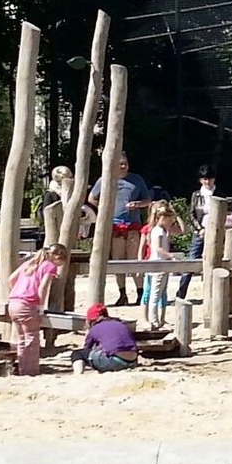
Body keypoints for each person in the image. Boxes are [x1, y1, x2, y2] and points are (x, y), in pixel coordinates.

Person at [86, 154, 150, 307]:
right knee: (118, 260)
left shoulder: (137, 180)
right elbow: (91, 198)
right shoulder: (105, 179)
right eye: (120, 163)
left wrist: (137, 204)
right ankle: (122, 294)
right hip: (114, 226)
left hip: (133, 225)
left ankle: (140, 293)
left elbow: (147, 200)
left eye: (125, 163)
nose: (123, 166)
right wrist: (105, 207)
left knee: (135, 260)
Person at [6, 243, 69, 375]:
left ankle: (23, 369)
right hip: (27, 304)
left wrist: (18, 291)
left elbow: (11, 279)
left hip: (14, 302)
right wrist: (40, 307)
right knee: (32, 338)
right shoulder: (49, 266)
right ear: (58, 257)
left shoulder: (29, 263)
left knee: (21, 339)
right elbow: (43, 288)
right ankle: (31, 371)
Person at [176, 165, 217, 299]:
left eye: (209, 178)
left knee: (215, 262)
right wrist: (200, 229)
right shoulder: (196, 195)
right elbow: (191, 214)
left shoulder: (219, 194)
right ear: (200, 180)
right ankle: (181, 293)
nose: (207, 182)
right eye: (204, 179)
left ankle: (214, 293)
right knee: (192, 260)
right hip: (200, 232)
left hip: (216, 232)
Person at [73, 302, 139, 374]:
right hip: (133, 361)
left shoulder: (95, 329)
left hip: (115, 361)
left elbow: (86, 349)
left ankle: (78, 374)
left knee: (78, 354)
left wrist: (88, 333)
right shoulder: (120, 324)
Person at [143, 201, 178, 330]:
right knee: (155, 295)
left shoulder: (159, 230)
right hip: (158, 265)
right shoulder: (158, 231)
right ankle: (154, 321)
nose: (170, 224)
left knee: (157, 293)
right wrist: (170, 255)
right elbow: (157, 248)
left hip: (158, 265)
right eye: (170, 221)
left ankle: (156, 320)